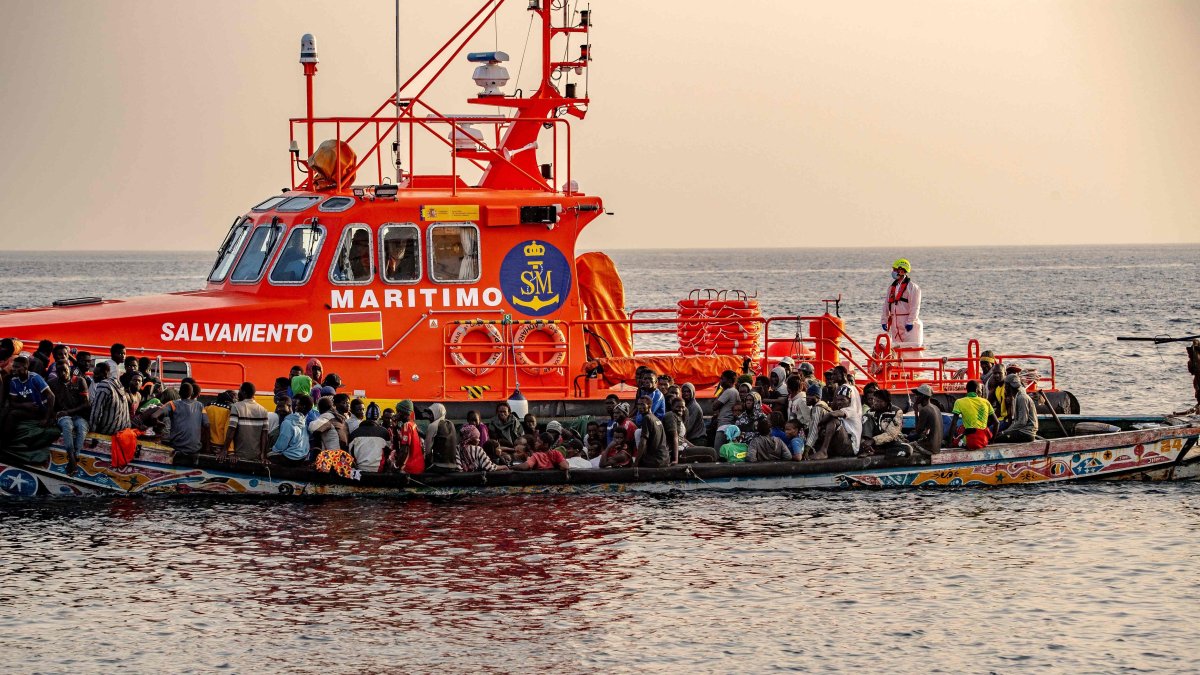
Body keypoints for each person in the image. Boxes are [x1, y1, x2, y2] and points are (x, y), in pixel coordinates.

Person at [49, 361, 89, 473]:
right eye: (59, 371)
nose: (62, 373)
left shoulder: (80, 381)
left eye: (65, 370)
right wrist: (53, 416)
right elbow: (49, 403)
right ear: (56, 372)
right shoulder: (52, 383)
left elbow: (86, 404)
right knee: (67, 425)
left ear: (70, 370)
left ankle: (74, 458)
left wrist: (69, 411)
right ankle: (72, 458)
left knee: (82, 427)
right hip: (62, 415)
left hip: (77, 414)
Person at [153, 382, 209, 456]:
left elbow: (154, 416)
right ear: (192, 394)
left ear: (179, 393)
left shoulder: (172, 404)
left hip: (177, 447)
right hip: (195, 449)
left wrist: (158, 423)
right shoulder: (200, 405)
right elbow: (207, 425)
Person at [5, 355, 55, 437]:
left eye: (17, 367)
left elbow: (51, 396)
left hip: (43, 411)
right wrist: (24, 405)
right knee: (11, 413)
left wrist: (46, 418)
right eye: (13, 366)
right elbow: (13, 403)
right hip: (30, 411)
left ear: (25, 367)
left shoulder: (34, 378)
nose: (14, 369)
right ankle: (6, 440)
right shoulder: (13, 381)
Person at [881, 258, 923, 347]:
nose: (893, 272)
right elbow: (886, 305)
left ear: (902, 271)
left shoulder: (913, 288)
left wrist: (910, 322)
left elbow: (915, 307)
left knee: (911, 351)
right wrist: (884, 320)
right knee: (896, 350)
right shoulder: (891, 288)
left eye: (895, 270)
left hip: (908, 324)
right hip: (895, 324)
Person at [806, 385, 854, 460]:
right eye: (806, 395)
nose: (807, 398)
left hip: (847, 446)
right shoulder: (823, 406)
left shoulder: (818, 408)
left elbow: (814, 430)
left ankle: (823, 452)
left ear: (817, 397)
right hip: (841, 443)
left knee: (832, 422)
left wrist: (807, 448)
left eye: (809, 395)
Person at [950, 380, 998, 450]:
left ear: (967, 390)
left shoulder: (959, 402)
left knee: (959, 433)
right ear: (976, 390)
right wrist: (992, 440)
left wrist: (949, 442)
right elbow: (997, 422)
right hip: (984, 441)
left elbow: (953, 423)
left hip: (970, 442)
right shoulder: (986, 402)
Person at [228, 382, 270, 463]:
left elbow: (231, 430)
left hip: (238, 455)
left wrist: (225, 450)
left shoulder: (236, 407)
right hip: (256, 455)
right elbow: (264, 434)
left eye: (239, 390)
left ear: (243, 392)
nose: (238, 392)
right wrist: (263, 454)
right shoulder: (263, 410)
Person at [859, 390, 909, 457]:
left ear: (886, 402)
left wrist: (873, 440)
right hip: (872, 442)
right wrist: (867, 441)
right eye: (874, 400)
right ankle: (869, 449)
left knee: (908, 449)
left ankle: (877, 451)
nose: (875, 403)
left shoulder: (896, 412)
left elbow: (891, 434)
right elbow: (865, 429)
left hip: (890, 442)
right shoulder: (870, 412)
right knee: (866, 417)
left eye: (879, 401)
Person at [88, 361, 131, 435]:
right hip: (124, 429)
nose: (93, 376)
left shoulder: (104, 385)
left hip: (110, 431)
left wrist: (92, 431)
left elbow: (97, 412)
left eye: (96, 374)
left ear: (105, 374)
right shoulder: (117, 383)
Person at [994, 374, 1039, 443]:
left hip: (1026, 433)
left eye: (1005, 385)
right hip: (1022, 430)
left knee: (996, 438)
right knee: (998, 435)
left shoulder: (1021, 398)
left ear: (1008, 386)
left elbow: (1022, 422)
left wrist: (1005, 432)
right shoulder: (1016, 397)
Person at [268, 395, 311, 466]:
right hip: (302, 457)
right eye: (278, 407)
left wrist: (272, 450)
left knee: (268, 455)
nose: (279, 409)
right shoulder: (303, 419)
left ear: (290, 406)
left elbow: (281, 446)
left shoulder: (287, 422)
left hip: (291, 458)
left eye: (281, 407)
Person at [349, 402, 391, 472]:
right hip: (379, 470)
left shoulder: (354, 433)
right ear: (379, 416)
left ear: (366, 415)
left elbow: (350, 455)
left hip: (359, 470)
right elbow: (388, 451)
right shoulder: (385, 432)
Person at [633, 395, 669, 468]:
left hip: (655, 461)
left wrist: (636, 463)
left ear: (649, 405)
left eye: (642, 404)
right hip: (665, 459)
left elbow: (643, 442)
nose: (639, 407)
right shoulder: (657, 419)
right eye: (638, 404)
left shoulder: (647, 418)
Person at [907, 384, 943, 457]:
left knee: (905, 447)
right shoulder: (936, 408)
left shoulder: (925, 410)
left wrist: (916, 412)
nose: (915, 397)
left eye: (917, 395)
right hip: (937, 447)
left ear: (923, 396)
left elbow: (918, 431)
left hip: (930, 448)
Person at [390, 399, 424, 474]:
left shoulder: (407, 426)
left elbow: (404, 450)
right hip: (418, 466)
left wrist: (395, 466)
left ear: (402, 412)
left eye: (397, 411)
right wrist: (395, 428)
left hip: (410, 468)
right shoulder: (413, 424)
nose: (396, 414)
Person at [710, 369, 740, 443]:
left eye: (722, 379)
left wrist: (720, 391)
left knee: (718, 451)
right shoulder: (735, 391)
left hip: (724, 426)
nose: (720, 381)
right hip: (730, 425)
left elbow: (714, 406)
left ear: (729, 381)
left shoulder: (728, 391)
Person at [204, 390, 235, 460]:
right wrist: (230, 451)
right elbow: (228, 430)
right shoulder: (229, 410)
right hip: (221, 447)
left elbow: (204, 426)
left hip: (207, 444)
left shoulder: (208, 407)